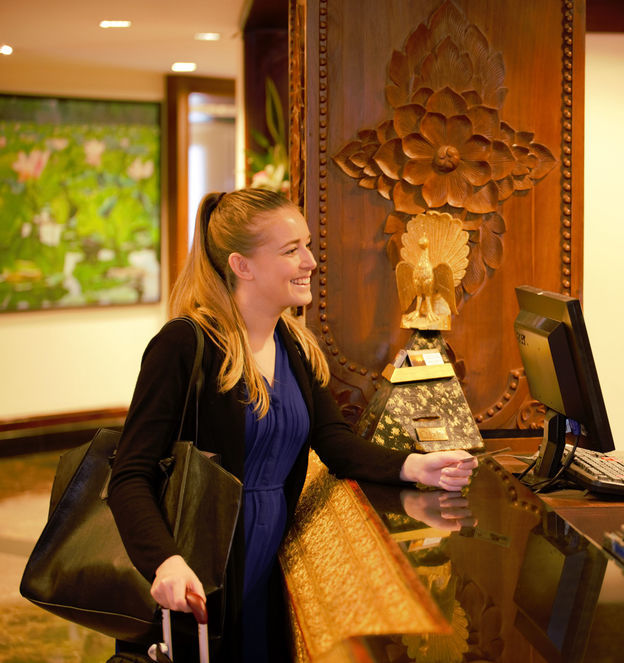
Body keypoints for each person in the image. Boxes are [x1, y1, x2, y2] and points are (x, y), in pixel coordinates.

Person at [108, 188, 477, 661]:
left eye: (306, 245)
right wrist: (167, 563)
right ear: (243, 265)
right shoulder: (183, 345)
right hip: (199, 584)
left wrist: (414, 466)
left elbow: (336, 443)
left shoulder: (294, 344)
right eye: (291, 251)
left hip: (266, 577)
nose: (311, 262)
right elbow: (130, 475)